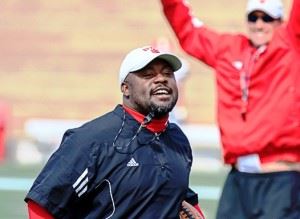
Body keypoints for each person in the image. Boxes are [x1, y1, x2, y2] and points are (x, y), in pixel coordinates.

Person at [24, 46, 205, 219]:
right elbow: (43, 205)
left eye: (167, 74)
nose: (161, 79)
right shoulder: (91, 140)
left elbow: (177, 194)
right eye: (148, 74)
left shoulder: (177, 139)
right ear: (126, 88)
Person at [160, 0, 300, 218]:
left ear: (280, 22)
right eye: (254, 17)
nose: (259, 25)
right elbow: (188, 30)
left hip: (279, 179)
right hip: (238, 178)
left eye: (267, 18)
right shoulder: (229, 49)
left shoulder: (290, 44)